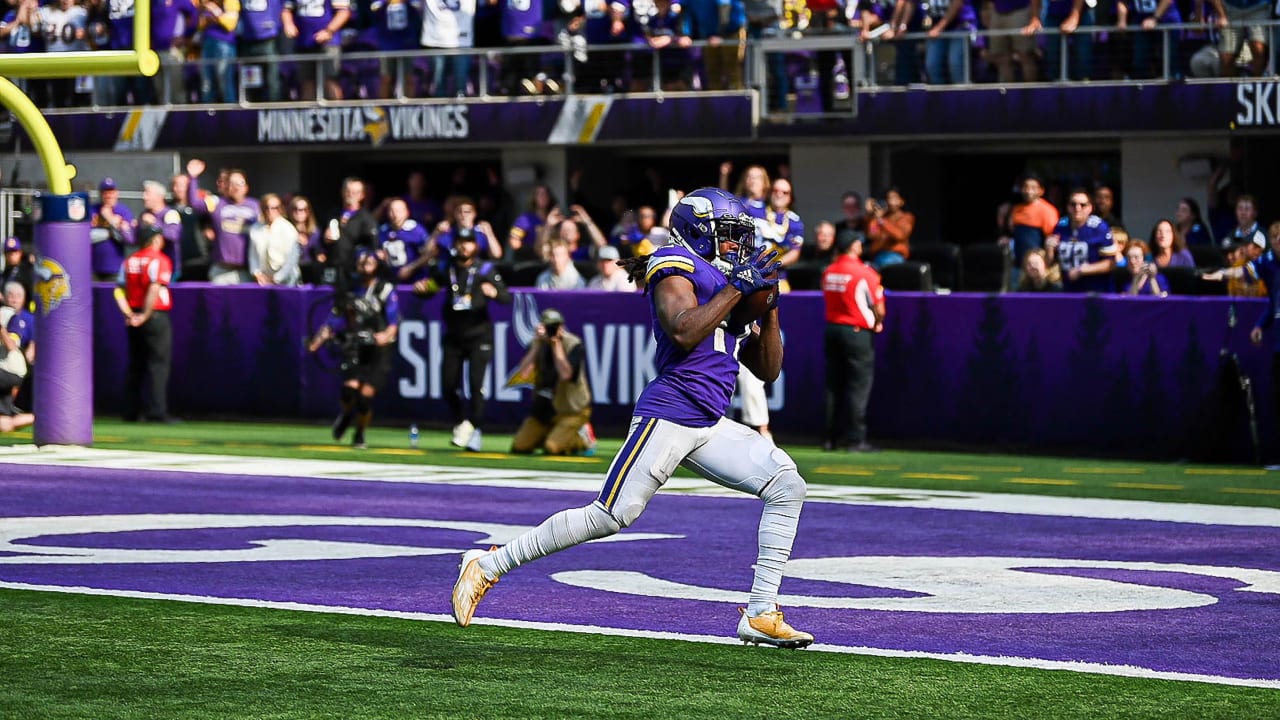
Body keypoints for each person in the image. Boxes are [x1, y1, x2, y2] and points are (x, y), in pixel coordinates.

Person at [450, 187, 815, 649]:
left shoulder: (728, 284)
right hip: (671, 411)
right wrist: (737, 289)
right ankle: (487, 565)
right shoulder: (673, 263)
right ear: (699, 234)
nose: (736, 247)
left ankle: (761, 612)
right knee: (610, 514)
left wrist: (770, 304)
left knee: (787, 484)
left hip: (707, 421)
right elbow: (683, 330)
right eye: (728, 237)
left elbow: (767, 370)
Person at [413, 230, 511, 451]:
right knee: (448, 385)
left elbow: (506, 297)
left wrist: (494, 293)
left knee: (476, 385)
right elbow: (432, 286)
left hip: (479, 336)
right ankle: (461, 422)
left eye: (469, 243)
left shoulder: (485, 269)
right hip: (454, 336)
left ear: (475, 246)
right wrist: (421, 289)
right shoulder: (448, 268)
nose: (465, 247)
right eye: (461, 242)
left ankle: (475, 428)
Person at [307, 250, 400, 449]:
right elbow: (334, 319)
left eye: (369, 262)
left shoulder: (384, 289)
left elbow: (393, 321)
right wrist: (318, 341)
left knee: (365, 397)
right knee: (349, 391)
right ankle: (346, 415)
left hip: (378, 349)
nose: (365, 265)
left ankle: (359, 432)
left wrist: (385, 335)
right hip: (356, 345)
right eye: (361, 262)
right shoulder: (349, 289)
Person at [822, 230, 884, 453]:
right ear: (855, 246)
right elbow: (879, 307)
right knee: (858, 386)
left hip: (832, 329)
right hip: (857, 331)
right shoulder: (864, 272)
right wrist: (878, 321)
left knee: (834, 385)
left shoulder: (829, 271)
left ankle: (831, 438)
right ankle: (856, 439)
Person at [509, 308, 596, 455]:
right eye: (548, 326)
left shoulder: (573, 344)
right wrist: (536, 344)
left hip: (571, 409)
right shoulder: (537, 344)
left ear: (561, 327)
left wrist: (556, 345)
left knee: (552, 448)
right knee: (520, 447)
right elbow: (524, 373)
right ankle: (554, 433)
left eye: (554, 326)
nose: (552, 330)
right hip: (544, 410)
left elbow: (565, 375)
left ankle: (583, 437)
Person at [113, 225, 177, 424]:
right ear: (156, 240)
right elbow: (154, 288)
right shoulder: (160, 260)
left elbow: (118, 291)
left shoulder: (129, 261)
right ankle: (157, 411)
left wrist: (130, 314)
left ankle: (130, 411)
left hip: (134, 315)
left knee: (136, 365)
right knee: (158, 365)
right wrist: (145, 315)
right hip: (154, 315)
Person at [187, 159, 260, 285]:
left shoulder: (256, 206)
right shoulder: (216, 202)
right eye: (232, 183)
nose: (236, 187)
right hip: (221, 270)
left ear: (246, 187)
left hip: (247, 271)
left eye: (240, 183)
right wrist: (193, 178)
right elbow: (195, 203)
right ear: (227, 187)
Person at [1045, 188, 1118, 293]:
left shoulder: (1100, 228)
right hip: (1069, 290)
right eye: (1073, 204)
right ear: (1068, 207)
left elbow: (1111, 263)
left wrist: (1082, 270)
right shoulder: (1061, 226)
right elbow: (1050, 263)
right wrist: (1049, 249)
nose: (1077, 208)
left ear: (1090, 208)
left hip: (1096, 291)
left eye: (1082, 205)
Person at [250, 193, 302, 286]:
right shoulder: (255, 228)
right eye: (267, 207)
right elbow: (252, 255)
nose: (270, 211)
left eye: (275, 208)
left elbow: (292, 258)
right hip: (263, 280)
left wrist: (277, 278)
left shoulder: (288, 229)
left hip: (287, 279)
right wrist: (257, 274)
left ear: (280, 209)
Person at [91, 177, 136, 282]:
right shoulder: (92, 210)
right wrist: (109, 232)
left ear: (116, 193)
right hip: (92, 266)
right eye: (105, 193)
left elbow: (128, 239)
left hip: (115, 267)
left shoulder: (123, 211)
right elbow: (85, 236)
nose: (108, 196)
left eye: (111, 192)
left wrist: (110, 218)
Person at [0, 296, 32, 432]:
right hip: (6, 369)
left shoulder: (11, 316)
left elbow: (12, 346)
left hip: (10, 369)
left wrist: (1, 329)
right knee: (4, 423)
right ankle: (46, 416)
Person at [1, 237, 34, 306]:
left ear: (20, 253)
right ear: (5, 254)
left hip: (25, 312)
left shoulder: (27, 270)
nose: (12, 255)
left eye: (15, 252)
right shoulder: (4, 274)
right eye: (9, 252)